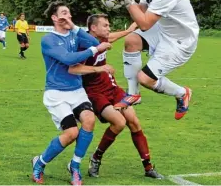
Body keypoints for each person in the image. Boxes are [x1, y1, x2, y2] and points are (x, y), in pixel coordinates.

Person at [69, 13, 163, 179]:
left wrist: (131, 30)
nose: (108, 28)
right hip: (94, 92)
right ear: (93, 28)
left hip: (111, 87)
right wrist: (99, 69)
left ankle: (148, 167)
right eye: (105, 25)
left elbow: (111, 37)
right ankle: (96, 158)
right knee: (119, 122)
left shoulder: (101, 39)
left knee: (133, 120)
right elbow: (74, 69)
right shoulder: (84, 45)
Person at [31, 1, 112, 185]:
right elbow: (68, 59)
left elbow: (95, 41)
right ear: (54, 17)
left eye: (69, 13)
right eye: (63, 13)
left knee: (89, 120)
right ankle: (40, 162)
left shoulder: (74, 35)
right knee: (71, 134)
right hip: (57, 94)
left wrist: (74, 27)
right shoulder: (48, 40)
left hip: (77, 90)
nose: (67, 16)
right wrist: (93, 50)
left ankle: (74, 166)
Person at [112, 0, 199, 120]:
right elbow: (142, 11)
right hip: (163, 29)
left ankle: (182, 93)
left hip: (180, 41)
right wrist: (125, 6)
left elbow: (144, 23)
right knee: (132, 41)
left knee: (145, 78)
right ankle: (133, 94)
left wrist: (128, 0)